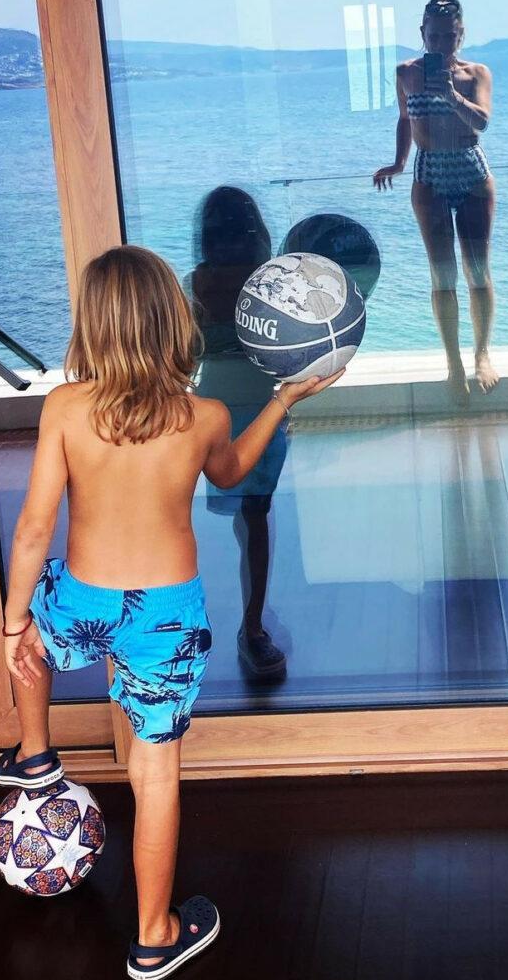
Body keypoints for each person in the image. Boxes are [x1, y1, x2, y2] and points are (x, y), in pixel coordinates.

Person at [0, 245, 341, 977]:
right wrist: (282, 400)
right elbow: (232, 472)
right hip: (167, 619)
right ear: (174, 321)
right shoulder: (203, 415)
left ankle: (35, 752)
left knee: (33, 638)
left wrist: (13, 622)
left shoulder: (66, 407)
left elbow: (31, 530)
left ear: (92, 324)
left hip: (85, 595)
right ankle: (154, 936)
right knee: (155, 777)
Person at [373, 0, 498, 399]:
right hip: (429, 173)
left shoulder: (476, 74)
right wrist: (398, 163)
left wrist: (451, 94)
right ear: (422, 34)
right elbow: (405, 119)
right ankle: (454, 364)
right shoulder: (406, 72)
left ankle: (482, 355)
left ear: (461, 34)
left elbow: (482, 122)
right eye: (434, 36)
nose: (442, 44)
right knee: (442, 277)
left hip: (470, 170)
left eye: (449, 36)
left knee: (477, 271)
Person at [190, 186, 288, 678]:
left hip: (227, 408)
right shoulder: (267, 283)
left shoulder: (199, 284)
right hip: (245, 409)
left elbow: (185, 355)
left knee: (251, 514)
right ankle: (252, 627)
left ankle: (249, 625)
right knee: (255, 513)